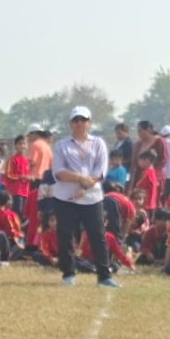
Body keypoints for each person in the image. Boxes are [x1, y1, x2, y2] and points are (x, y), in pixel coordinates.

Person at [49, 106, 118, 287]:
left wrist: (85, 187)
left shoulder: (98, 143)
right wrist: (80, 178)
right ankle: (68, 273)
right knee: (65, 234)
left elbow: (100, 171)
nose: (79, 123)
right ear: (70, 123)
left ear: (89, 122)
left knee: (98, 235)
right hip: (66, 197)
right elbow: (59, 172)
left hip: (91, 197)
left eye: (83, 120)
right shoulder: (62, 145)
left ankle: (104, 275)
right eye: (76, 120)